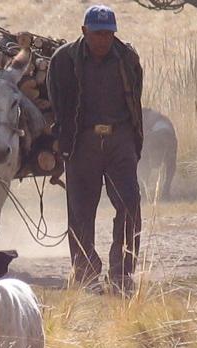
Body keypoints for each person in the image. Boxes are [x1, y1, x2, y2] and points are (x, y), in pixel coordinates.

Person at [47, 4, 145, 296]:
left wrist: (132, 140)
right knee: (80, 212)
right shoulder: (63, 59)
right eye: (97, 33)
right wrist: (64, 140)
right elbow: (57, 102)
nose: (103, 39)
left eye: (108, 33)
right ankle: (86, 273)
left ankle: (121, 274)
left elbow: (135, 98)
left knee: (130, 205)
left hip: (120, 141)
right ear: (84, 31)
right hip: (82, 142)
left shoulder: (127, 58)